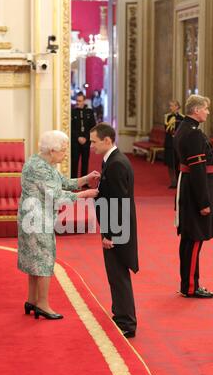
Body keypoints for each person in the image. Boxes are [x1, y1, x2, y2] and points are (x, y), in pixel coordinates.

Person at [17, 130, 100, 320]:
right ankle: (43, 305)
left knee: (34, 259)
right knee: (44, 259)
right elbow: (56, 195)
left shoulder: (43, 163)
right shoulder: (40, 168)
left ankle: (32, 300)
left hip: (33, 217)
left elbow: (63, 183)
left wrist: (85, 179)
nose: (65, 154)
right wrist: (84, 195)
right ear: (52, 150)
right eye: (62, 151)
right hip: (37, 219)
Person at [90, 123, 139, 338]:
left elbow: (119, 202)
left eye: (94, 141)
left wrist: (110, 234)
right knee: (115, 275)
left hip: (118, 228)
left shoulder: (117, 163)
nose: (92, 145)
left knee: (118, 275)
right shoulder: (111, 160)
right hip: (117, 226)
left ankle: (127, 323)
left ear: (107, 140)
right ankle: (120, 314)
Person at [174, 94, 213, 298]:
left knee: (189, 240)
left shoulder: (185, 128)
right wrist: (204, 202)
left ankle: (188, 284)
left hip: (188, 188)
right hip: (197, 192)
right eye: (205, 108)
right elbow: (198, 170)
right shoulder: (193, 133)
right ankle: (191, 287)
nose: (208, 112)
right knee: (194, 239)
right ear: (196, 110)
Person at [71, 92, 96, 178]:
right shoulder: (72, 112)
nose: (78, 102)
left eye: (80, 101)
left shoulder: (89, 112)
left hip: (86, 141)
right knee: (74, 161)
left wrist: (86, 137)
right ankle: (73, 180)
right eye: (77, 100)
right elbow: (71, 127)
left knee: (85, 161)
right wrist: (78, 137)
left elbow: (92, 126)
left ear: (84, 101)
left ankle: (84, 181)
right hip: (75, 141)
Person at [164, 100, 184, 188]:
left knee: (178, 163)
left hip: (178, 144)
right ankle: (173, 182)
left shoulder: (182, 117)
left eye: (172, 106)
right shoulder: (167, 117)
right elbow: (166, 128)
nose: (170, 108)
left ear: (177, 107)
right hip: (169, 143)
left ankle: (179, 181)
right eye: (170, 106)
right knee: (170, 163)